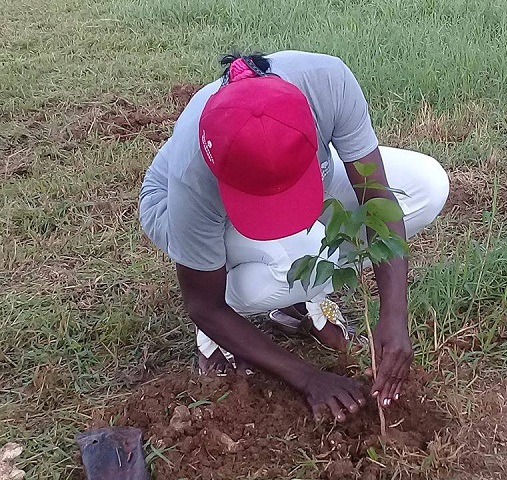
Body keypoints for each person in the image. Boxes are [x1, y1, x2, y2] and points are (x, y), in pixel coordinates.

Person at [139, 51, 449, 422]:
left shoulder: (327, 82)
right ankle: (216, 337)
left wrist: (394, 315)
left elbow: (377, 198)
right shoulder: (194, 171)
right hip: (188, 203)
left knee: (427, 186)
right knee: (304, 252)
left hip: (302, 167)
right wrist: (308, 379)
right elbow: (202, 304)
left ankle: (293, 300)